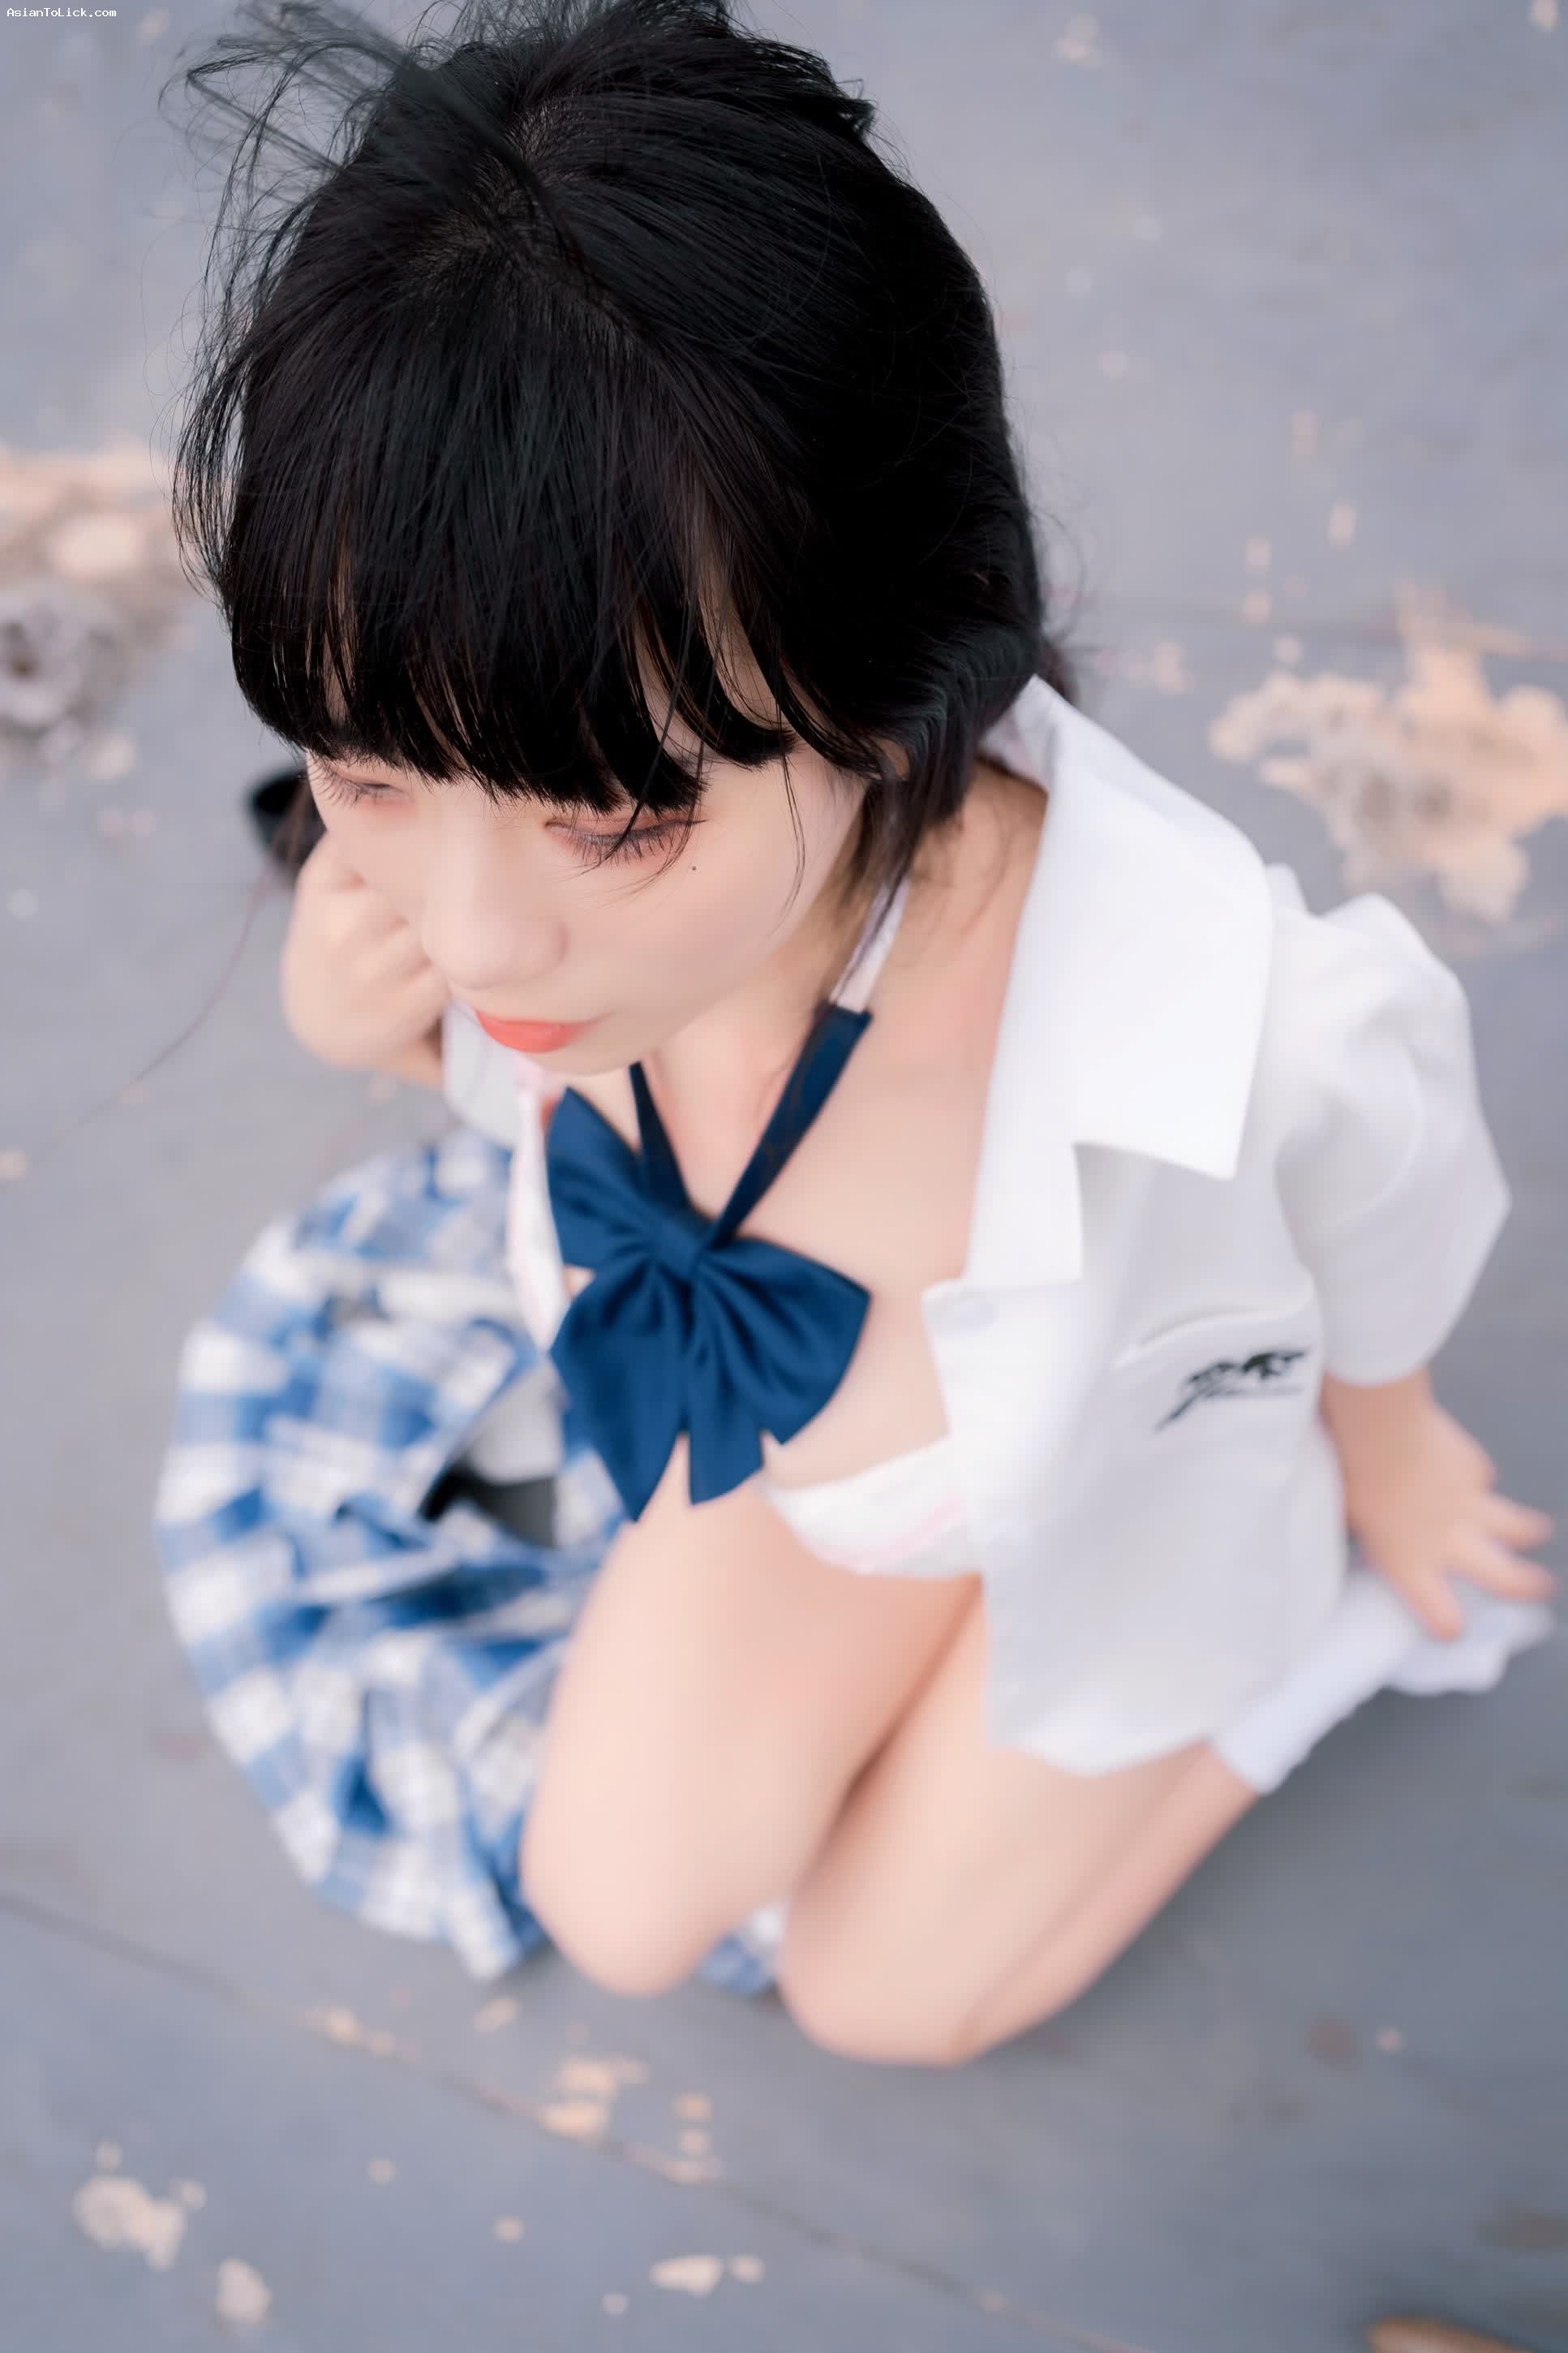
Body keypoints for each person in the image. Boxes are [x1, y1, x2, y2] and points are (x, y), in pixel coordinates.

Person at [170, 0, 1554, 2066]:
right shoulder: (484, 912)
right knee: (614, 1908)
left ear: (888, 680)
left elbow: (1382, 1229)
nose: (466, 930)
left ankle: (1305, 1656)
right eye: (364, 771)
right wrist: (363, 1025)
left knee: (882, 1996)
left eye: (612, 818)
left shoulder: (1249, 1032)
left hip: (1129, 1514)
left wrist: (1396, 1453)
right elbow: (494, 1055)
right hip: (802, 1481)